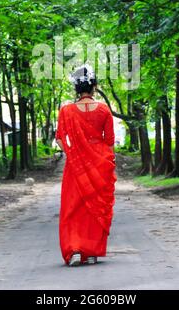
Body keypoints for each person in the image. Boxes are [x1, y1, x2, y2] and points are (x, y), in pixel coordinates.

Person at [55, 64, 117, 267]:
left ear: (76, 88)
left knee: (73, 208)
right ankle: (91, 252)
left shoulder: (66, 111)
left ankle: (75, 249)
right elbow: (109, 140)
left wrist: (73, 155)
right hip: (99, 164)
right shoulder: (104, 109)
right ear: (94, 87)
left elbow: (60, 139)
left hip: (76, 166)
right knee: (95, 208)